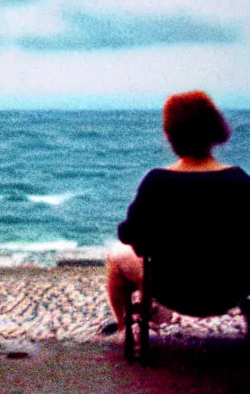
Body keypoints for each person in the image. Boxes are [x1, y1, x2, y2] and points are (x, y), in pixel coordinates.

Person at [104, 90, 250, 336]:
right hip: (229, 292)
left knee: (115, 258)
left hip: (171, 291)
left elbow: (128, 235)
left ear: (169, 135)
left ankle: (122, 328)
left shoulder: (157, 182)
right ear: (214, 129)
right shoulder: (240, 181)